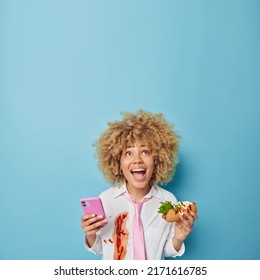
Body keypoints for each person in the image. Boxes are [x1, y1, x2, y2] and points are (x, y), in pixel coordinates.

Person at [81, 110, 198, 260]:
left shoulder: (168, 201)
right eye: (129, 153)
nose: (137, 160)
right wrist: (90, 235)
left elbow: (164, 250)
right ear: (118, 162)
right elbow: (100, 248)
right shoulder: (105, 199)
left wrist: (179, 238)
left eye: (145, 152)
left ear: (157, 160)